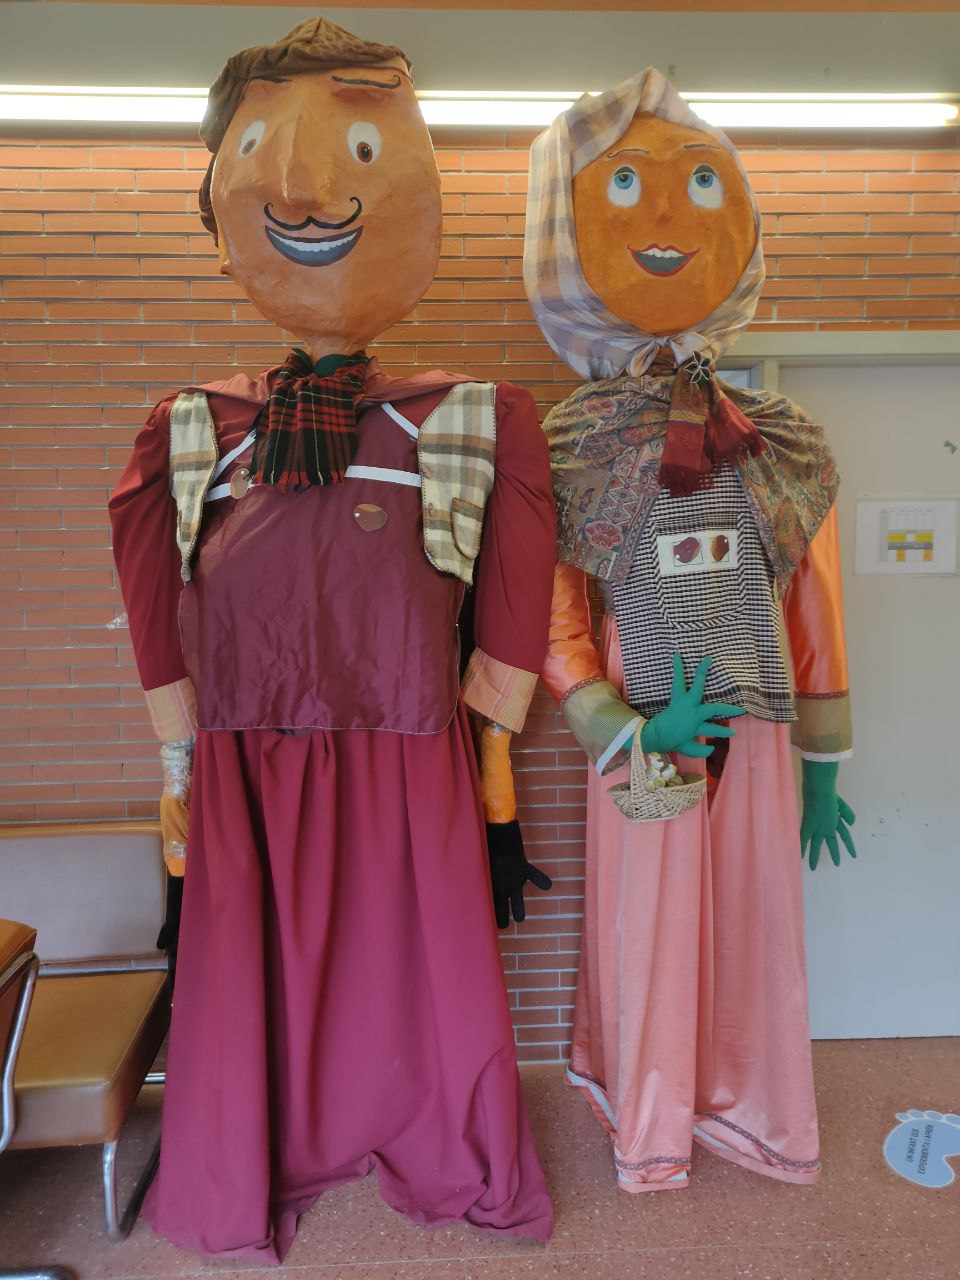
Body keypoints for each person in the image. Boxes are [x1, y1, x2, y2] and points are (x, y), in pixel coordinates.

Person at [110, 18, 554, 1260]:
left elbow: (514, 593)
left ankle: (438, 1140)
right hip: (247, 751)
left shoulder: (468, 421)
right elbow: (150, 598)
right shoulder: (191, 430)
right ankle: (259, 1149)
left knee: (420, 972)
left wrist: (496, 756)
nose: (306, 195)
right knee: (258, 972)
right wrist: (178, 759)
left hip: (410, 746)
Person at [523, 69, 855, 1191]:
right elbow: (553, 602)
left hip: (754, 724)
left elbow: (813, 600)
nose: (666, 219)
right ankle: (653, 1121)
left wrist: (824, 764)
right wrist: (617, 720)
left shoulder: (779, 439)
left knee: (755, 918)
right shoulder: (576, 439)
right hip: (648, 727)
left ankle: (755, 1106)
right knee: (654, 919)